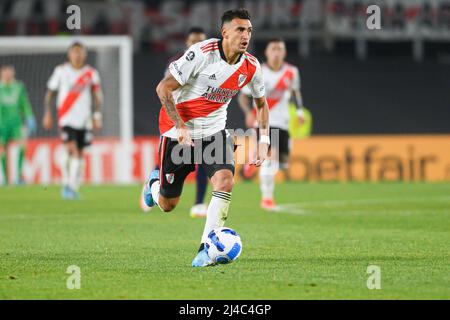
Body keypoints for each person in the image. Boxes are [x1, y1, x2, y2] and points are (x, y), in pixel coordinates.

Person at [141, 8, 270, 267]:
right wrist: (180, 125)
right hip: (178, 134)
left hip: (214, 133)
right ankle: (153, 186)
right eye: (240, 30)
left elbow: (261, 104)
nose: (246, 36)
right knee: (168, 204)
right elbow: (163, 88)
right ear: (225, 32)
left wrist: (264, 141)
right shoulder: (201, 54)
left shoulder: (251, 67)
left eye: (249, 31)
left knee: (224, 182)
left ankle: (205, 248)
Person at [140, 27, 210, 218]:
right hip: (176, 123)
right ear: (187, 44)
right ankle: (153, 184)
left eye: (201, 41)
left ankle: (198, 203)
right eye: (193, 41)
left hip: (201, 123)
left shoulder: (211, 63)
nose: (197, 44)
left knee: (205, 161)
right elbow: (165, 89)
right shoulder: (177, 63)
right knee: (167, 199)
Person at [238, 38, 305, 210]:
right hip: (263, 121)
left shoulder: (292, 71)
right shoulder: (257, 71)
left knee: (282, 163)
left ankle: (252, 160)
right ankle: (267, 198)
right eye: (273, 48)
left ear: (284, 52)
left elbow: (295, 92)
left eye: (280, 49)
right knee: (270, 160)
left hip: (283, 122)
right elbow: (243, 96)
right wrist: (248, 114)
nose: (276, 52)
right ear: (267, 52)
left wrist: (299, 111)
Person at [43, 42, 103, 199]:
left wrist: (97, 116)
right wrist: (47, 113)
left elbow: (97, 97)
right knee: (72, 149)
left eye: (80, 52)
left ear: (85, 54)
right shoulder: (61, 71)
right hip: (66, 118)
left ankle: (72, 185)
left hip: (84, 120)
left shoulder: (91, 73)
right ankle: (68, 185)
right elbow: (50, 93)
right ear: (69, 54)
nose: (77, 55)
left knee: (79, 153)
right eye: (75, 52)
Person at [0, 65, 36, 185]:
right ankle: (5, 178)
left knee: (22, 147)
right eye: (5, 72)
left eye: (10, 72)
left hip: (16, 123)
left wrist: (29, 117)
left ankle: (19, 176)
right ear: (1, 73)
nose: (8, 74)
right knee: (2, 151)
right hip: (2, 124)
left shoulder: (19, 87)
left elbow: (24, 104)